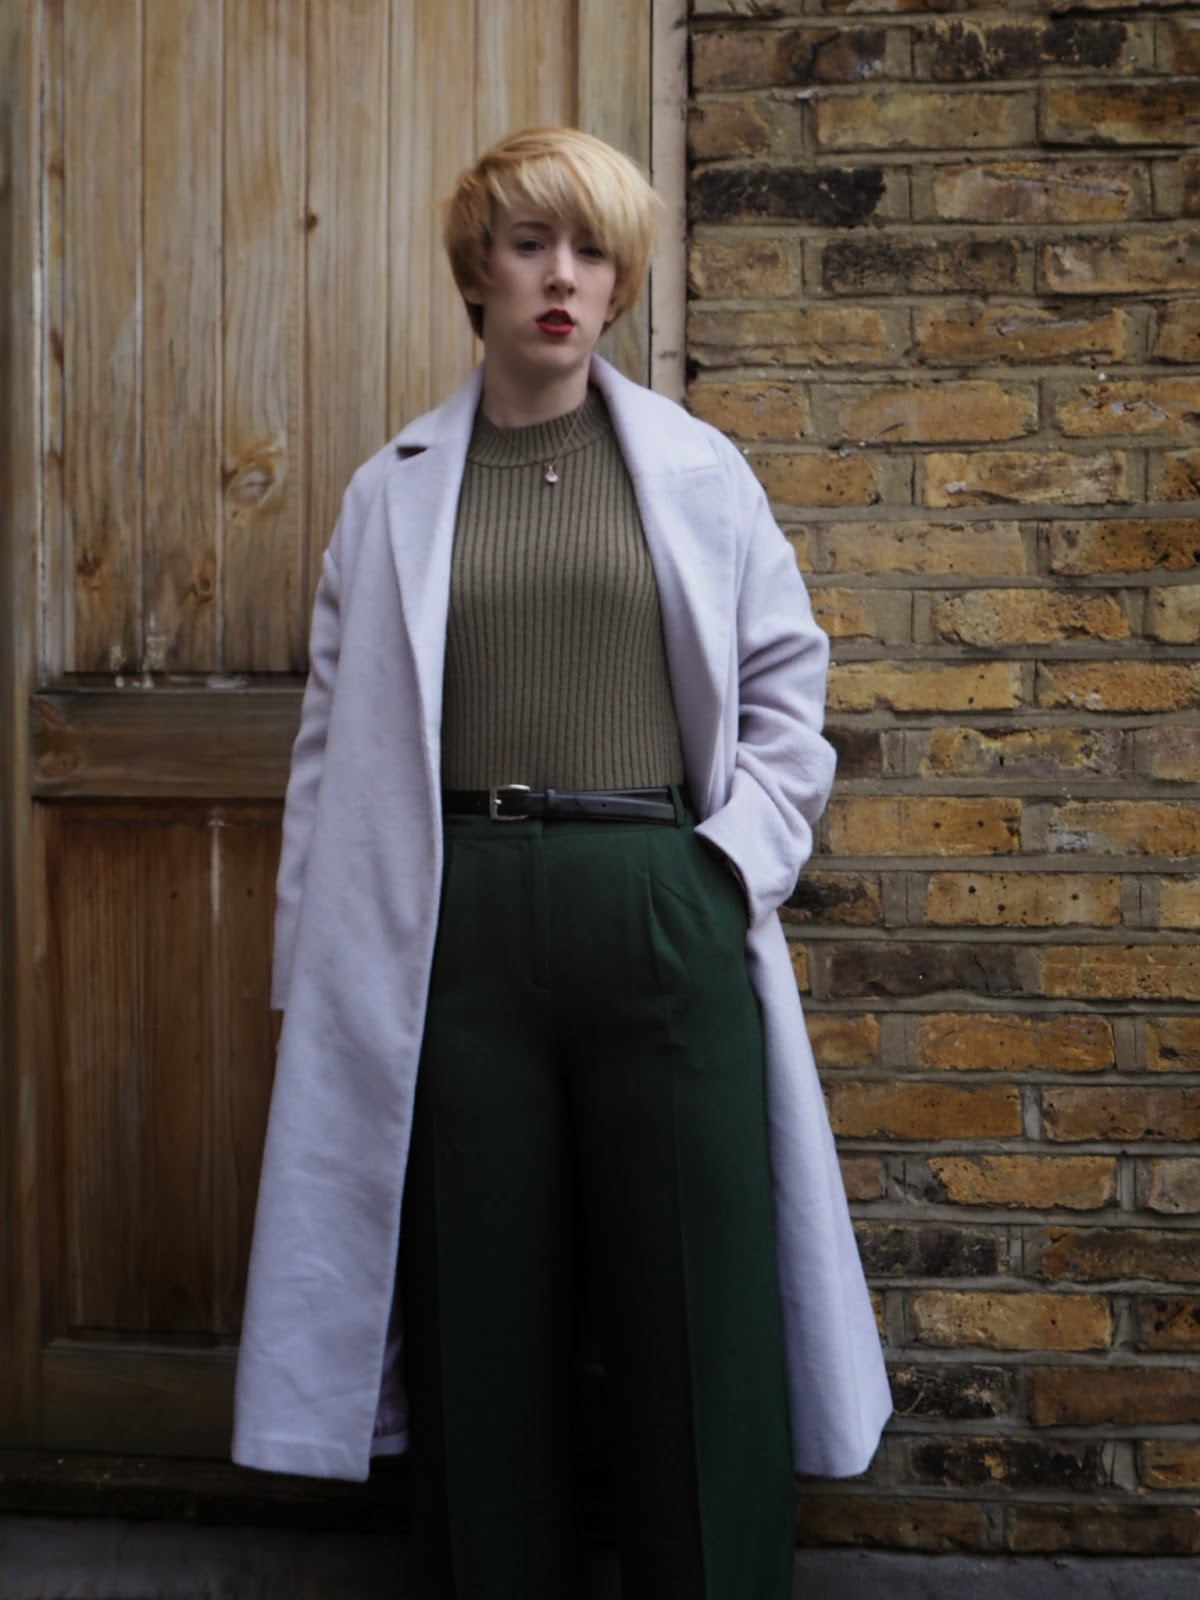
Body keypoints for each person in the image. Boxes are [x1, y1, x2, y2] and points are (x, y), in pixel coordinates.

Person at [233, 126, 891, 1599]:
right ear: (479, 267)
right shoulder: (389, 492)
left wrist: (725, 871)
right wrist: (311, 980)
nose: (561, 276)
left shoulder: (700, 472)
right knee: (479, 1317)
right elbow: (329, 750)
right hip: (448, 926)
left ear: (620, 284)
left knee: (699, 1306)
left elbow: (790, 694)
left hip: (659, 901)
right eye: (530, 243)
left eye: (592, 251)